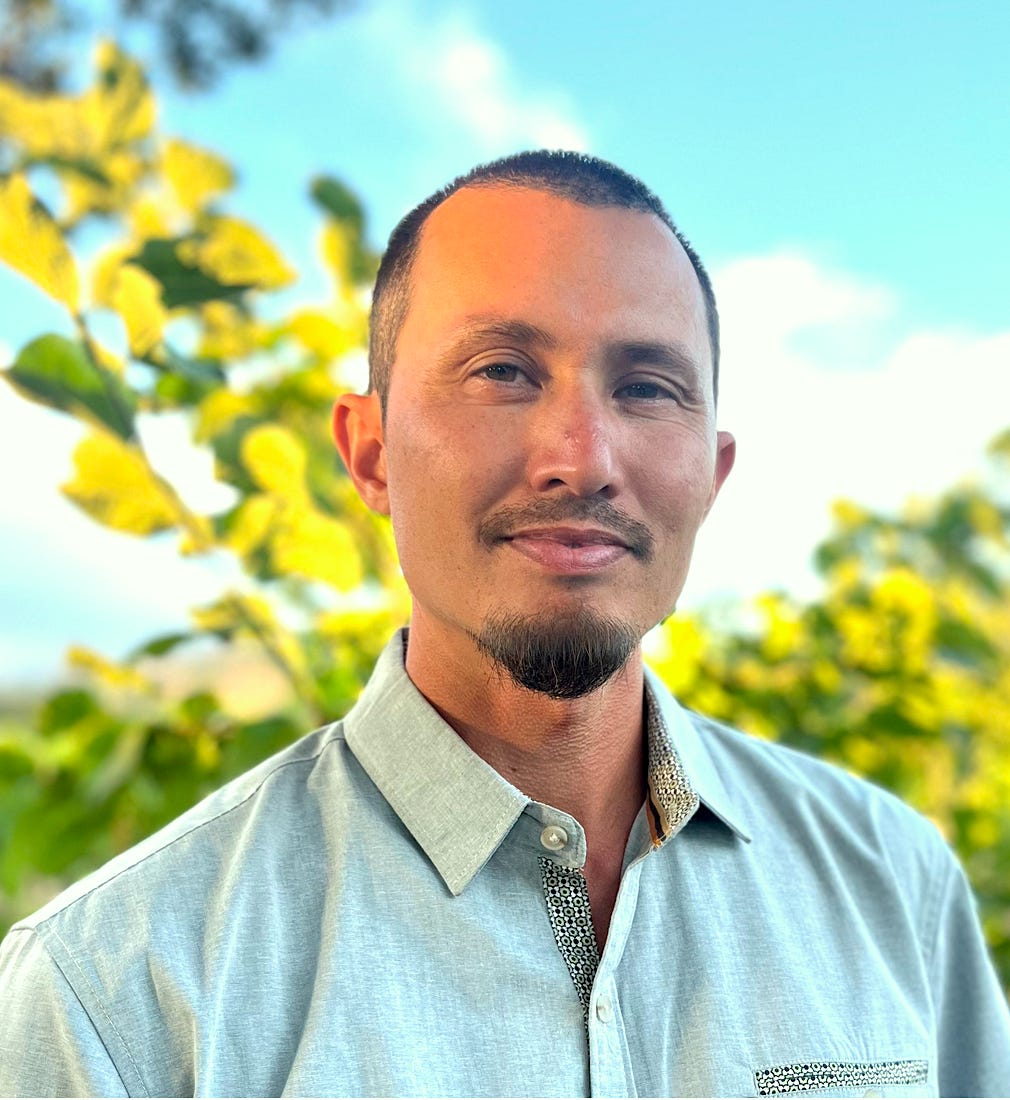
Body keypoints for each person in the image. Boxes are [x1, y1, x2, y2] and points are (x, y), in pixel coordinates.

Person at [1, 150, 1008, 1099]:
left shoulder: (891, 883)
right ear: (369, 451)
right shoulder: (113, 989)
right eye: (501, 371)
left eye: (646, 387)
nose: (582, 453)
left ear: (712, 470)